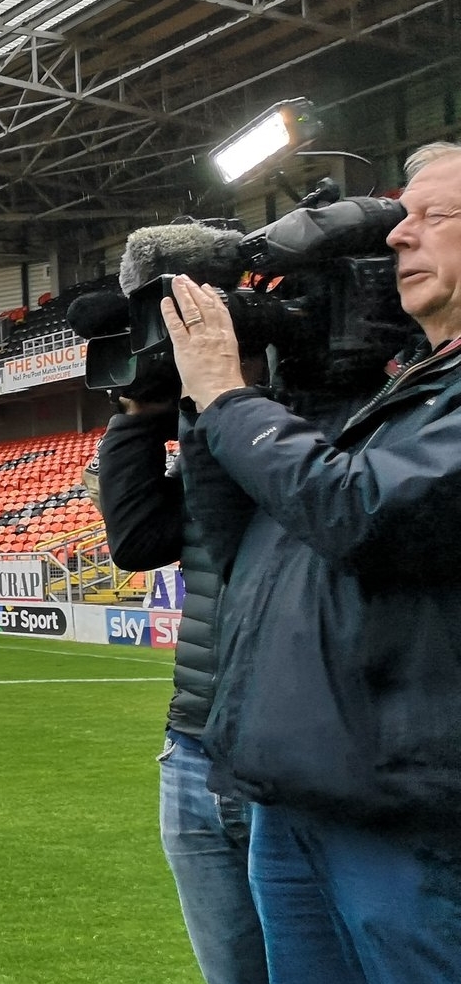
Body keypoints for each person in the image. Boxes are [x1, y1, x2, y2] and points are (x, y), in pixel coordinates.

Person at [165, 141, 461, 984]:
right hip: (300, 799)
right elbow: (240, 541)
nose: (401, 237)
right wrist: (213, 400)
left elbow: (356, 511)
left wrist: (229, 395)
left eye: (432, 216)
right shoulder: (400, 394)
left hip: (408, 818)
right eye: (398, 218)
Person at [96, 388, 268, 984]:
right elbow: (138, 541)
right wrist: (139, 421)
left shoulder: (312, 431)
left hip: (292, 756)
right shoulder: (207, 442)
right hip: (192, 744)